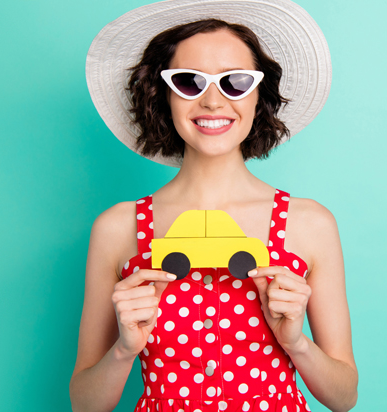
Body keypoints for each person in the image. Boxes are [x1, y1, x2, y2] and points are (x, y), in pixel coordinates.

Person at [71, 2, 357, 412]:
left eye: (235, 82)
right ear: (164, 94)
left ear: (259, 96)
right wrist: (123, 348)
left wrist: (296, 342)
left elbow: (345, 397)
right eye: (189, 82)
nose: (211, 100)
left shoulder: (309, 223)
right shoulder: (118, 227)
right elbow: (84, 404)